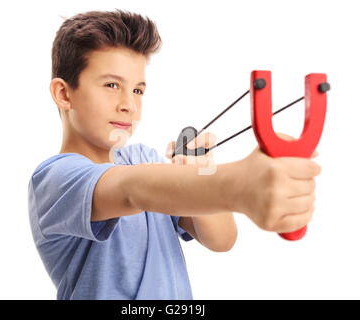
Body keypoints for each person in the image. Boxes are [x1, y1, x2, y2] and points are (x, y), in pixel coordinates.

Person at [27, 9, 321, 300]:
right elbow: (132, 190)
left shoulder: (143, 158)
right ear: (64, 94)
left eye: (139, 90)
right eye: (112, 85)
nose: (129, 104)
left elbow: (222, 240)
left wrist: (203, 172)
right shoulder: (55, 178)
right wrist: (238, 184)